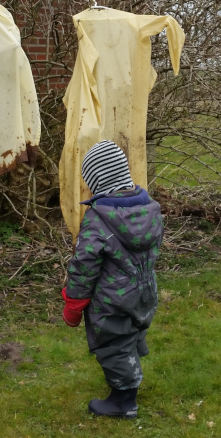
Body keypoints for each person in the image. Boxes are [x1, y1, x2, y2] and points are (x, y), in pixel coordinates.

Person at [61, 140, 163, 419]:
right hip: (145, 291)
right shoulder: (151, 208)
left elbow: (84, 266)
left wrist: (74, 302)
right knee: (132, 330)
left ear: (97, 181)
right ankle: (131, 364)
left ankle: (123, 400)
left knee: (112, 343)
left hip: (112, 299)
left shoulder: (98, 219)